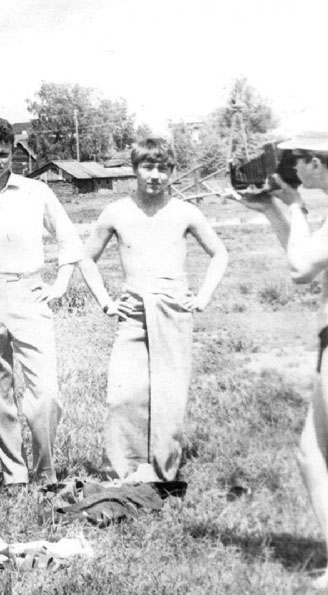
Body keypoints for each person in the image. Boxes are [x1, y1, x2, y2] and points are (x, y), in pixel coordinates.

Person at [232, 128, 328, 587]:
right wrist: (272, 210)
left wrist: (296, 207)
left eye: (296, 161)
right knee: (311, 456)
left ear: (316, 164)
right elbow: (307, 256)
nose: (291, 170)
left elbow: (301, 269)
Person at [0, 117, 110, 490]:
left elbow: (69, 241)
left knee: (46, 392)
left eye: (3, 154)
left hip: (29, 292)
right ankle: (14, 476)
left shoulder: (36, 191)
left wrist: (60, 285)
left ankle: (45, 470)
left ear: (13, 154)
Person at [84, 138, 229, 484]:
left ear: (172, 172)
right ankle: (127, 471)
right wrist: (106, 302)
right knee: (123, 395)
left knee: (169, 396)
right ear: (135, 169)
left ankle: (163, 472)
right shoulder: (116, 212)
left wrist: (203, 297)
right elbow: (86, 258)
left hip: (173, 309)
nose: (155, 175)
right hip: (132, 311)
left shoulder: (185, 212)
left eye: (163, 168)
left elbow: (220, 253)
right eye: (148, 167)